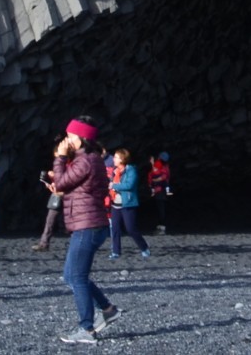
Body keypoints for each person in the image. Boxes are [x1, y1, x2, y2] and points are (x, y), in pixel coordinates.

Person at [54, 118, 120, 344]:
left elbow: (63, 183)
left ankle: (87, 329)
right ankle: (108, 309)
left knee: (78, 277)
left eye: (70, 136)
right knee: (70, 275)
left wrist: (60, 158)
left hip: (88, 226)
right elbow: (70, 186)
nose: (66, 140)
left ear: (81, 138)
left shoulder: (86, 161)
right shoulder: (88, 160)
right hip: (88, 224)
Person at [107, 148, 150, 260]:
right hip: (115, 204)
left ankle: (144, 247)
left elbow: (129, 185)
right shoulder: (115, 171)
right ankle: (116, 252)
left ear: (122, 159)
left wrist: (113, 186)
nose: (114, 159)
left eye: (116, 157)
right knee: (115, 228)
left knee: (130, 228)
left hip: (128, 204)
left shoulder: (131, 171)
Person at [34, 136, 69, 252]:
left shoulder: (70, 165)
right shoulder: (61, 165)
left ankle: (45, 243)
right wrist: (50, 183)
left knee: (69, 221)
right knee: (50, 219)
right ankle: (44, 243)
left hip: (68, 195)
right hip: (57, 194)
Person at [148, 152, 173, 235]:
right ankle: (160, 226)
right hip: (162, 190)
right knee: (160, 209)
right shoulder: (165, 166)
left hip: (160, 190)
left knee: (160, 209)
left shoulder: (160, 165)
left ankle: (162, 227)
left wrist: (155, 181)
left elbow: (157, 174)